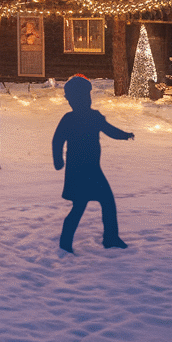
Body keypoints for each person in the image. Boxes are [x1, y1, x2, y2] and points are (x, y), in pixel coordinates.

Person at [53, 75, 135, 252]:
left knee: (106, 203)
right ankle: (66, 243)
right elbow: (57, 141)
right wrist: (58, 161)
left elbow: (110, 130)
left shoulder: (93, 117)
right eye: (85, 96)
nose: (88, 99)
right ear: (75, 99)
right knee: (80, 207)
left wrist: (125, 135)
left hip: (92, 171)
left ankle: (111, 238)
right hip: (79, 172)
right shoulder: (70, 119)